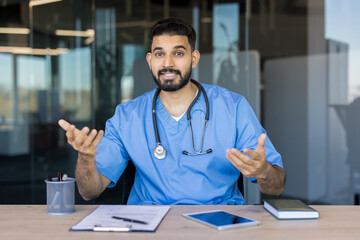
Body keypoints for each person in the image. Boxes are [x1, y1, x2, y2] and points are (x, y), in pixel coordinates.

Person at [58, 18, 285, 205]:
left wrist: (264, 171)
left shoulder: (233, 108)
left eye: (178, 53)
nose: (167, 63)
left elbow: (277, 185)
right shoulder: (128, 116)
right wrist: (86, 159)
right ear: (149, 60)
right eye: (159, 54)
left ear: (193, 58)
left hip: (218, 223)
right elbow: (90, 191)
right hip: (147, 225)